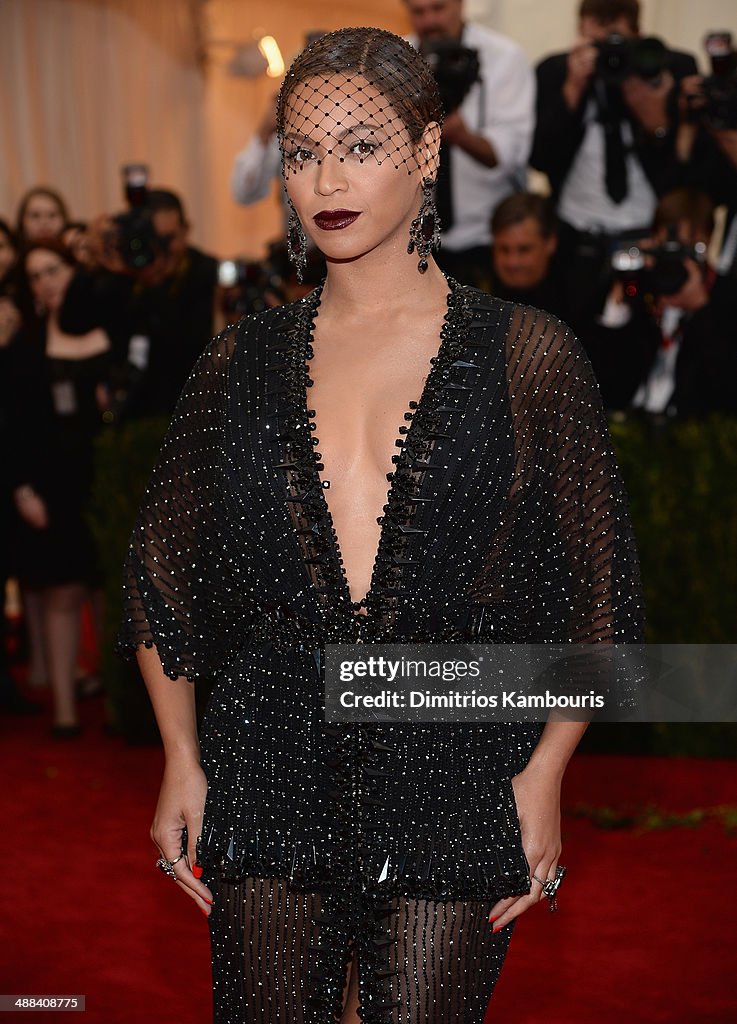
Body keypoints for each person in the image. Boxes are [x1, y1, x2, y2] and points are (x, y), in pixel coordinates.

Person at [119, 28, 643, 1022]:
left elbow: (597, 590)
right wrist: (180, 755)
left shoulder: (526, 355)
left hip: (453, 771)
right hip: (266, 758)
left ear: (425, 150)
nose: (327, 178)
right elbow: (161, 572)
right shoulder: (237, 363)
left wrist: (545, 770)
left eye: (360, 144)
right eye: (303, 152)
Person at [531, 0, 698, 330]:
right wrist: (572, 90)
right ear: (580, 31)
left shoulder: (669, 68)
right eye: (599, 40)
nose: (610, 53)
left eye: (618, 39)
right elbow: (540, 159)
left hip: (650, 238)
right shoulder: (555, 70)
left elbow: (690, 177)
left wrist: (657, 122)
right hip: (576, 238)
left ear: (638, 33)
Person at [10, 240, 111, 735]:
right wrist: (22, 488)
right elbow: (12, 427)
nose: (45, 281)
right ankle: (66, 714)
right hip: (52, 485)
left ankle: (119, 703)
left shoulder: (111, 327)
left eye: (53, 270)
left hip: (107, 478)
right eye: (34, 276)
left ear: (73, 271)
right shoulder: (26, 344)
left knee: (111, 592)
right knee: (62, 593)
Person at [403, 0, 535, 288]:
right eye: (418, 11)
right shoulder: (395, 61)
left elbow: (509, 157)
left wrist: (459, 134)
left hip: (488, 239)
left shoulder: (503, 57)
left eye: (438, 8)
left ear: (461, 5)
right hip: (413, 241)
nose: (429, 21)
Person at [488, 192, 572, 321]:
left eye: (524, 250)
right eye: (504, 250)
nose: (513, 262)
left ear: (550, 243)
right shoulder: (471, 292)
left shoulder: (579, 299)